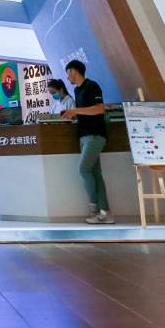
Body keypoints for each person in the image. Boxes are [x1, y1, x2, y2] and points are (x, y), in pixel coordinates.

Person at [60, 60, 114, 224]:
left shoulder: (92, 86)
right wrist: (73, 115)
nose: (67, 77)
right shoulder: (77, 90)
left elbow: (99, 109)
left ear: (74, 71)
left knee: (83, 169)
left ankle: (95, 208)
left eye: (68, 73)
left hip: (95, 135)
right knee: (95, 174)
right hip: (84, 135)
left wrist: (75, 110)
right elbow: (86, 112)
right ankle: (105, 213)